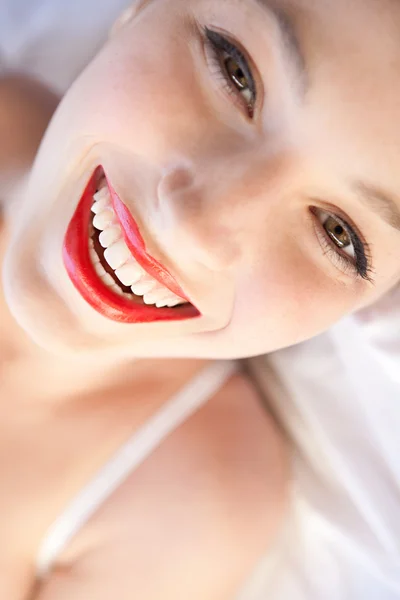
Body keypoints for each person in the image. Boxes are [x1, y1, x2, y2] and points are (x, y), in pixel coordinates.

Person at [1, 0, 400, 598]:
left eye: (337, 235)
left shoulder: (187, 502)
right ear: (141, 8)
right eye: (234, 68)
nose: (197, 227)